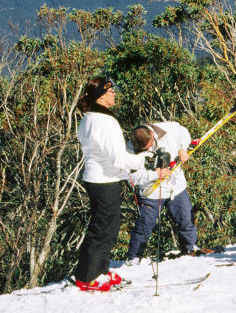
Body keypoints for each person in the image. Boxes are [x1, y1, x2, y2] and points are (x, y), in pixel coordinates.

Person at [74, 77, 161, 292]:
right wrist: (143, 161)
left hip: (98, 178)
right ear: (102, 96)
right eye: (111, 91)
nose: (114, 93)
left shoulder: (88, 118)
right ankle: (89, 277)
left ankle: (97, 271)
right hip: (105, 180)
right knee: (103, 229)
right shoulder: (105, 121)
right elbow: (118, 159)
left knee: (105, 227)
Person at [125, 121, 202, 265]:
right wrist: (155, 174)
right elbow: (132, 178)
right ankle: (134, 258)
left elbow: (183, 131)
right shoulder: (129, 150)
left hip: (176, 187)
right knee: (144, 225)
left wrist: (182, 149)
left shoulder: (167, 128)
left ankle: (190, 248)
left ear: (152, 136)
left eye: (147, 147)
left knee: (186, 219)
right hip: (151, 192)